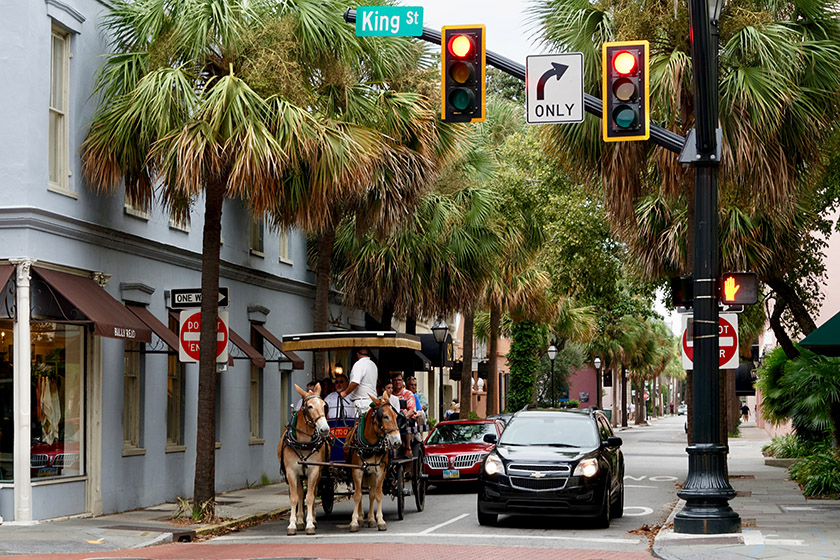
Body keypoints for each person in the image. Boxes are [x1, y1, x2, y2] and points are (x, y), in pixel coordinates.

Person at [340, 348, 378, 415]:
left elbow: (355, 382)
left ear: (357, 354)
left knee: (359, 424)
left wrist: (345, 393)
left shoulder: (359, 364)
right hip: (371, 401)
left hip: (362, 403)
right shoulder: (373, 365)